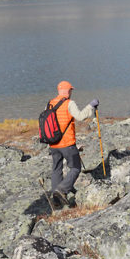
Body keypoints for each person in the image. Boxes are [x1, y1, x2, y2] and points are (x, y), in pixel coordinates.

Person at [47, 81, 99, 209]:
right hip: (67, 143)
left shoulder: (49, 104)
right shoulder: (69, 103)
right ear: (67, 91)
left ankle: (56, 200)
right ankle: (62, 190)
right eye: (71, 90)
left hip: (53, 143)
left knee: (56, 169)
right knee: (75, 167)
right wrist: (91, 106)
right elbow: (80, 116)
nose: (71, 92)